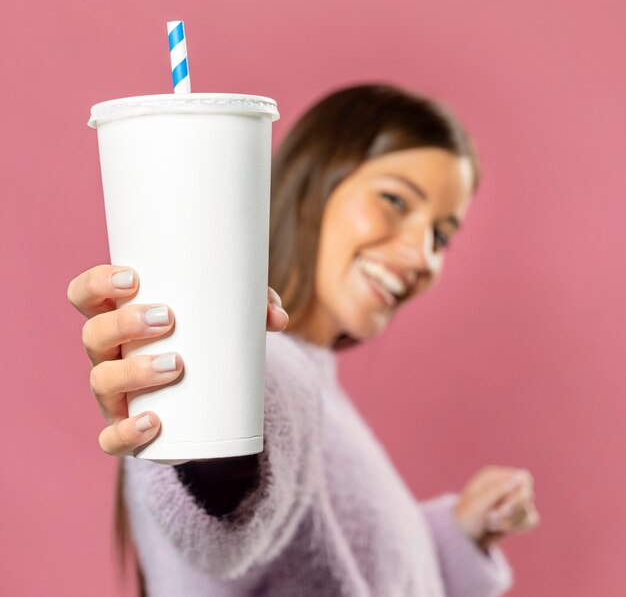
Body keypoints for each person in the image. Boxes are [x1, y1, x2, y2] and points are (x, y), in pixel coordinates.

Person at [67, 83, 539, 596]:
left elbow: (359, 571)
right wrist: (202, 427)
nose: (423, 255)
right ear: (316, 180)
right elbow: (230, 521)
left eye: (441, 236)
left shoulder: (317, 387)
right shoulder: (264, 367)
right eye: (396, 200)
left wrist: (458, 534)